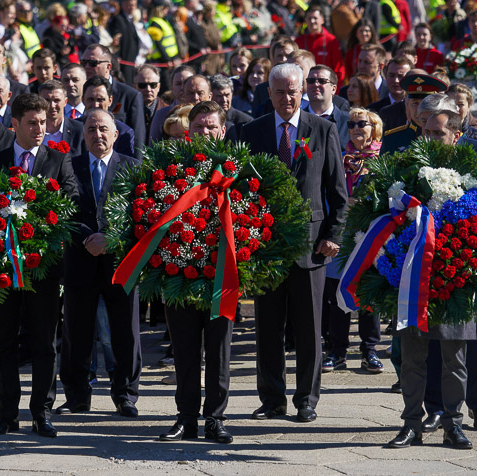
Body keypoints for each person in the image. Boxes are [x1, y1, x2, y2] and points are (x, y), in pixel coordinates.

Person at [240, 63, 348, 424]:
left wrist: (332, 237)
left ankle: (306, 399)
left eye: (294, 91)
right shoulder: (251, 132)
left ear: (303, 91)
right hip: (267, 250)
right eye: (281, 91)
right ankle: (271, 399)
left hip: (310, 248)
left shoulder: (323, 129)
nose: (288, 98)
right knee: (268, 329)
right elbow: (240, 193)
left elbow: (339, 193)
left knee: (309, 330)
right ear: (269, 93)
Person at [0, 93, 78, 438]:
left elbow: (71, 199)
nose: (40, 129)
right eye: (32, 122)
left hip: (43, 267)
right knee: (4, 341)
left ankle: (42, 412)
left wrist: (36, 217)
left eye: (44, 122)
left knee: (43, 342)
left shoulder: (58, 159)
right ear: (15, 124)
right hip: (4, 267)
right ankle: (6, 414)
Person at [385, 103, 477, 450]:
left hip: (454, 278)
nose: (432, 138)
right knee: (412, 358)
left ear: (457, 135)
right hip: (413, 278)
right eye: (427, 131)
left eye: (439, 133)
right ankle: (411, 424)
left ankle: (454, 425)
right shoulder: (408, 170)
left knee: (454, 360)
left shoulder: (473, 171)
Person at [157, 100, 234, 443]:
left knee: (218, 349)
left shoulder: (237, 169)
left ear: (223, 130)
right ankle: (186, 416)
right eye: (198, 127)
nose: (204, 132)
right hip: (178, 270)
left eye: (211, 126)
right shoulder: (170, 167)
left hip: (221, 274)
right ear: (189, 131)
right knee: (185, 348)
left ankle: (215, 418)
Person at [58, 107, 140, 419]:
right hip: (80, 261)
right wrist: (87, 238)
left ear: (116, 134)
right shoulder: (69, 166)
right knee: (77, 332)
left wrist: (110, 238)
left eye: (104, 129)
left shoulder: (132, 168)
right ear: (83, 135)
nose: (98, 135)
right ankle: (77, 396)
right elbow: (62, 211)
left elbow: (140, 213)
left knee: (125, 333)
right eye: (91, 129)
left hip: (120, 262)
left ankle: (125, 395)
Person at [322, 107, 383, 373]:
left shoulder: (382, 160)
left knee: (369, 294)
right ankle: (336, 351)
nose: (357, 128)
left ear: (374, 128)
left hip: (372, 234)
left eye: (363, 123)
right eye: (352, 124)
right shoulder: (337, 155)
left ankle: (369, 350)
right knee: (337, 292)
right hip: (343, 233)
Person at [80, 44, 145, 149]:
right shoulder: (79, 90)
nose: (87, 67)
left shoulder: (130, 95)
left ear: (108, 66)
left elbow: (138, 138)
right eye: (83, 63)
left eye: (93, 63)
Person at [381, 73, 448, 155]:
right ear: (407, 104)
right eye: (415, 103)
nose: (419, 109)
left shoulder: (448, 136)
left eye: (425, 103)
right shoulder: (392, 139)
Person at [79, 76, 135, 157]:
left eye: (100, 99)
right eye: (90, 99)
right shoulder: (72, 128)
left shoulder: (123, 132)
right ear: (83, 100)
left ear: (110, 100)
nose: (95, 105)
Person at [305, 65, 350, 151]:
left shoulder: (349, 122)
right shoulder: (297, 120)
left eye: (322, 81)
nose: (316, 84)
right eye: (311, 81)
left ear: (333, 89)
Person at [296, 7, 345, 84]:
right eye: (309, 18)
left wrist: (336, 89)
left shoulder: (331, 41)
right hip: (305, 86)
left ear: (322, 20)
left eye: (315, 18)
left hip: (326, 86)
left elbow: (338, 68)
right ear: (305, 20)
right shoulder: (299, 41)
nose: (312, 21)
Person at [149, 65, 195, 143]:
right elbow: (153, 147)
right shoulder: (161, 114)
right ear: (172, 87)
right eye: (178, 84)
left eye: (187, 82)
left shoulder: (202, 114)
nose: (183, 87)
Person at [39, 80, 84, 157]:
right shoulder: (33, 130)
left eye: (57, 100)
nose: (52, 105)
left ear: (65, 101)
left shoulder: (79, 130)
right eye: (47, 100)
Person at [446, 83, 477, 149]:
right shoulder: (436, 128)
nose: (456, 108)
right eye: (451, 104)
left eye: (460, 104)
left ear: (469, 105)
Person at [370, 56, 413, 130]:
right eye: (391, 75)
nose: (396, 80)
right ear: (385, 75)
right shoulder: (373, 110)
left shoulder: (416, 109)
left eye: (401, 76)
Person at [106, 0, 141, 85]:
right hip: (124, 60)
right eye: (130, 5)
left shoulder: (131, 19)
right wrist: (117, 56)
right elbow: (116, 39)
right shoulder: (118, 19)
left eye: (134, 5)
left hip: (132, 59)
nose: (132, 7)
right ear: (123, 4)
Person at [135, 64, 167, 145]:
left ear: (159, 87)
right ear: (134, 86)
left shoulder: (168, 112)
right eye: (142, 85)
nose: (148, 89)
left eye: (153, 85)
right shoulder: (126, 111)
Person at [345, 19, 378, 83]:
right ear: (356, 33)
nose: (364, 33)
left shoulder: (378, 50)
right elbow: (348, 72)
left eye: (367, 31)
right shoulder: (350, 51)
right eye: (361, 31)